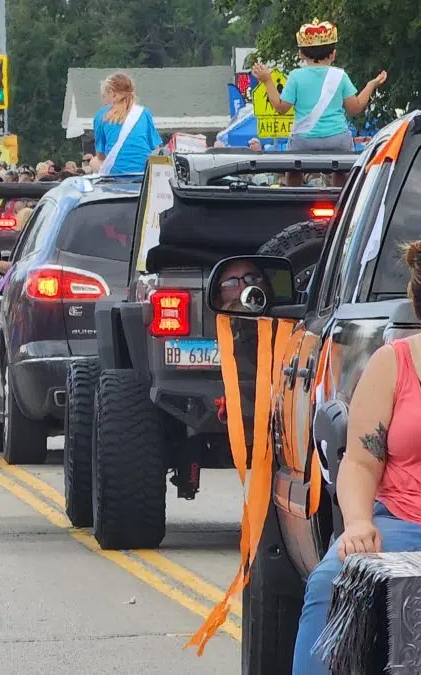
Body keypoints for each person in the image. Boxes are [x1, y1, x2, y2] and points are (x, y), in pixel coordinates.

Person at [290, 241, 421, 674]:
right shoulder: (393, 363)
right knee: (332, 581)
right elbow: (362, 463)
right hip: (403, 524)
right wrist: (359, 523)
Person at [252, 18, 386, 154]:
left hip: (303, 140)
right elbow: (354, 108)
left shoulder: (295, 76)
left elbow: (281, 108)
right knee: (342, 173)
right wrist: (371, 85)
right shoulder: (340, 76)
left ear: (301, 54)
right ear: (333, 55)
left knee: (293, 172)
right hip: (337, 138)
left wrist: (267, 81)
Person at [89, 72, 162, 176]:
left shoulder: (102, 115)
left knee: (94, 161)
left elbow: (101, 156)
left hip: (115, 173)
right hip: (143, 173)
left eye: (104, 96)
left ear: (112, 93)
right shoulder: (143, 113)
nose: (104, 102)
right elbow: (156, 147)